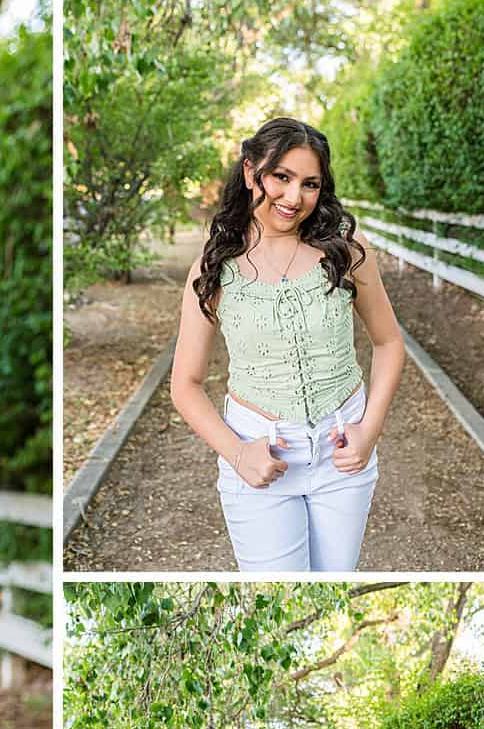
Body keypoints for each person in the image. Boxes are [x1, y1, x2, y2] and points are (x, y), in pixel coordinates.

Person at [169, 117, 406, 571]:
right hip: (259, 455)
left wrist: (369, 432)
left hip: (343, 458)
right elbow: (186, 383)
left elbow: (390, 342)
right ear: (250, 172)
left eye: (310, 183)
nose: (294, 198)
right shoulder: (215, 266)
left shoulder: (345, 250)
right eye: (282, 177)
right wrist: (238, 454)